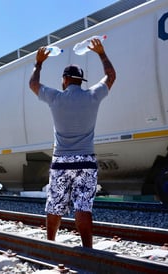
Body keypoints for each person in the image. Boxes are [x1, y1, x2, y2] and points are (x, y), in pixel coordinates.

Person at [29, 38, 116, 248]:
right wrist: (101, 53)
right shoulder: (93, 96)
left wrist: (38, 63)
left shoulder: (55, 98)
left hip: (61, 161)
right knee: (83, 207)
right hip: (86, 161)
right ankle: (88, 249)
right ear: (80, 80)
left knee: (55, 206)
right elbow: (111, 76)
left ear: (65, 79)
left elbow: (33, 84)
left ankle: (51, 245)